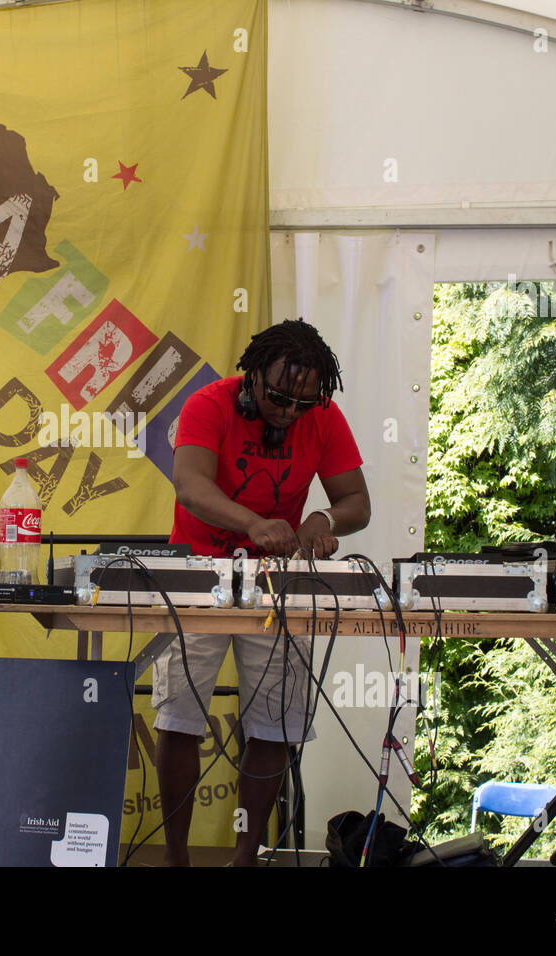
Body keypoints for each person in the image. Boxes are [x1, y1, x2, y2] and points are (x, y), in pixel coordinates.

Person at [154, 319, 371, 866]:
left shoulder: (322, 416)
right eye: (277, 398)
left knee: (273, 724)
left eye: (303, 402)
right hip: (198, 575)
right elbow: (190, 485)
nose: (289, 412)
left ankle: (246, 858)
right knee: (180, 717)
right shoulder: (209, 403)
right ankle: (176, 856)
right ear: (252, 378)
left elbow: (357, 503)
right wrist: (252, 522)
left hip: (277, 585)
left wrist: (323, 517)